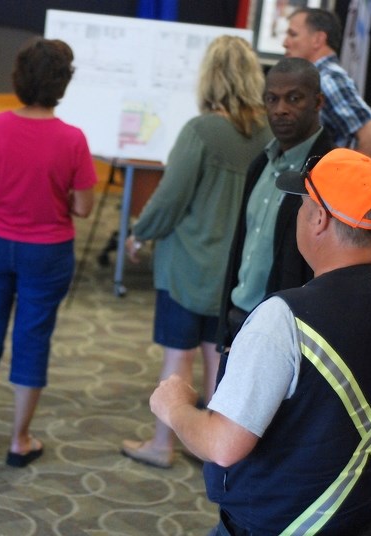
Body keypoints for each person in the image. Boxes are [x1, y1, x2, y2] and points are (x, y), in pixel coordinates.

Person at [150, 147, 371, 535]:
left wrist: (174, 407)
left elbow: (224, 445)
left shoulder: (282, 319)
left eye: (303, 206)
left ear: (319, 219)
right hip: (367, 522)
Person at [119, 36, 271, 469]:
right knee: (219, 360)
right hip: (238, 273)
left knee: (176, 359)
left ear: (210, 76)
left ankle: (162, 445)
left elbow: (170, 199)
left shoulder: (201, 131)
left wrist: (139, 235)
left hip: (188, 269)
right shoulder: (266, 136)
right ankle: (209, 447)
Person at [0, 37, 96, 468]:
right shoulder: (74, 139)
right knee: (32, 340)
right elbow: (84, 207)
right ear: (63, 84)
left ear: (18, 79)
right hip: (48, 252)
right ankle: (20, 439)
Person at [216, 57, 335, 349]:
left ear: (317, 102)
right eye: (272, 99)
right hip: (240, 318)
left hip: (289, 334)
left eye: (294, 99)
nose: (281, 109)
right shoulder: (261, 165)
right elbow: (242, 247)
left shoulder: (331, 173)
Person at [283, 7, 371, 161]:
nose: (285, 43)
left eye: (293, 34)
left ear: (318, 40)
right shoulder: (317, 78)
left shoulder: (328, 79)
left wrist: (354, 182)